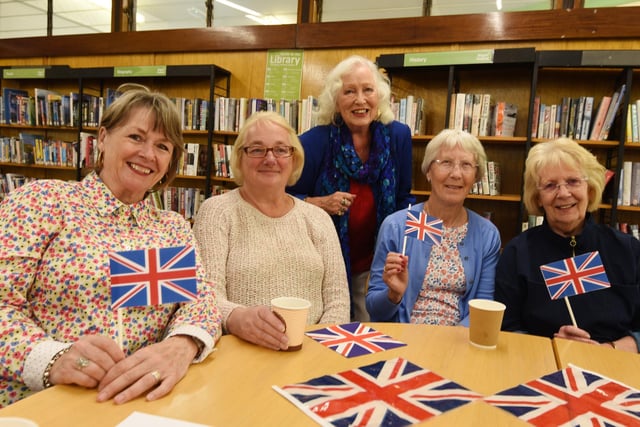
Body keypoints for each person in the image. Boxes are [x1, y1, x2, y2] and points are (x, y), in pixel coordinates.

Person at [0, 84, 221, 408]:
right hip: (45, 401)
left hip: (148, 404)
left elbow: (200, 302)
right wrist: (52, 358)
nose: (148, 154)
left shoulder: (171, 227)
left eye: (162, 145)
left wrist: (181, 345)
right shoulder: (42, 202)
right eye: (136, 137)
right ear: (102, 138)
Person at [193, 111, 350, 351]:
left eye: (280, 149)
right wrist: (235, 317)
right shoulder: (217, 213)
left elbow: (338, 298)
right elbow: (205, 295)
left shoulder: (318, 219)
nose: (270, 159)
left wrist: (318, 350)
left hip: (312, 352)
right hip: (241, 352)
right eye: (257, 149)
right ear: (239, 159)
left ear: (294, 159)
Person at [286, 55, 414, 322]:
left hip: (378, 261)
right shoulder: (313, 142)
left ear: (379, 96)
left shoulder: (398, 137)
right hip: (325, 262)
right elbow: (283, 200)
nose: (360, 100)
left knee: (374, 334)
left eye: (368, 90)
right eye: (349, 91)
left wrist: (403, 250)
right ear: (335, 100)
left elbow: (404, 197)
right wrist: (320, 203)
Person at [495, 138, 640, 352]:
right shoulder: (517, 253)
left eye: (573, 181)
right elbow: (506, 329)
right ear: (538, 197)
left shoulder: (628, 249)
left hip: (617, 363)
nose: (563, 193)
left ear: (590, 188)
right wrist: (552, 346)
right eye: (550, 185)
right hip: (541, 362)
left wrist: (609, 349)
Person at [366, 129, 501, 325]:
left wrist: (448, 344)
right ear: (429, 171)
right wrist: (393, 295)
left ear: (476, 176)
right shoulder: (396, 226)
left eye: (466, 165)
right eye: (446, 163)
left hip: (458, 344)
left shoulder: (487, 234)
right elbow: (374, 311)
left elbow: (483, 307)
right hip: (403, 341)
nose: (456, 174)